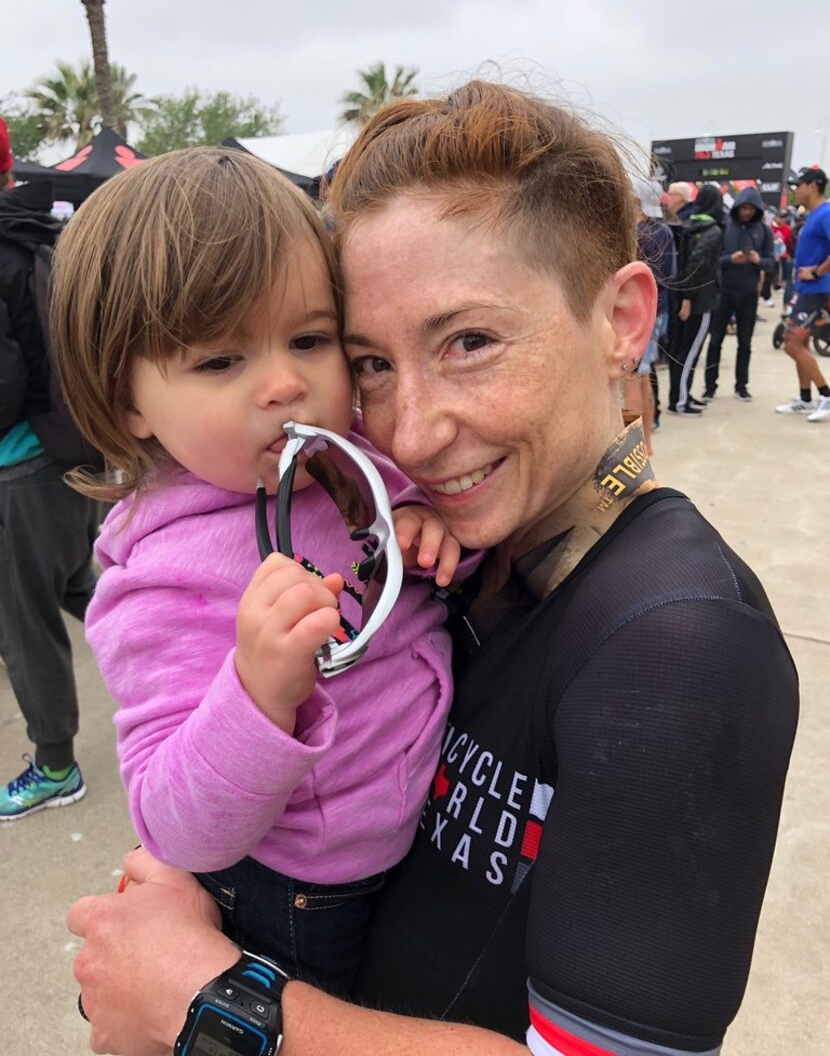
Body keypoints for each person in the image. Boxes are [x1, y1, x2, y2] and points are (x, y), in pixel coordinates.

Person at [66, 82, 798, 1056]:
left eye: (469, 342)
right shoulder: (436, 538)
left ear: (623, 318)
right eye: (369, 361)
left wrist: (208, 1003)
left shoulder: (676, 640)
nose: (407, 430)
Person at [49, 146, 466, 995]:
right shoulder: (159, 581)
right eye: (218, 360)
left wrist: (427, 526)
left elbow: (467, 549)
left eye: (310, 338)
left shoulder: (359, 467)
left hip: (426, 843)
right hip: (303, 897)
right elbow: (176, 826)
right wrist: (256, 690)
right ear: (129, 400)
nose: (285, 382)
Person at [0, 180, 101, 819]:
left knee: (23, 622)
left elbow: (4, 380)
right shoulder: (33, 229)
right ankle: (200, 662)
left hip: (20, 466)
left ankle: (56, 766)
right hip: (69, 450)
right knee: (76, 587)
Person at [702, 186, 773, 402]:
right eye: (744, 208)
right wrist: (730, 259)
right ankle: (710, 386)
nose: (747, 212)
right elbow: (713, 260)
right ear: (738, 207)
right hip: (724, 291)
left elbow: (771, 262)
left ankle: (742, 385)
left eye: (751, 209)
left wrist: (757, 260)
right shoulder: (724, 226)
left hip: (749, 293)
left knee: (745, 342)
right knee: (716, 340)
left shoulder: (764, 230)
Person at [775, 166, 830, 422]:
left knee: (791, 343)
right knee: (802, 343)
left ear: (813, 185)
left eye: (799, 185)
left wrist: (817, 272)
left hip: (816, 290)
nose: (795, 190)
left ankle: (826, 395)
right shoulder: (813, 215)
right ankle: (805, 398)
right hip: (805, 290)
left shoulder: (826, 212)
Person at [668, 184, 723, 414]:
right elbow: (698, 265)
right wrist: (689, 298)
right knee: (689, 352)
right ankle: (680, 401)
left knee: (680, 349)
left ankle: (681, 395)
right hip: (699, 300)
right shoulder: (713, 231)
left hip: (681, 296)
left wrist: (683, 296)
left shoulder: (687, 225)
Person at [632, 177, 674, 448]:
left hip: (642, 314)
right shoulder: (664, 231)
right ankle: (645, 442)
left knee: (632, 379)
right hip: (657, 311)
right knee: (643, 376)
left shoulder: (640, 232)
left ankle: (638, 445)